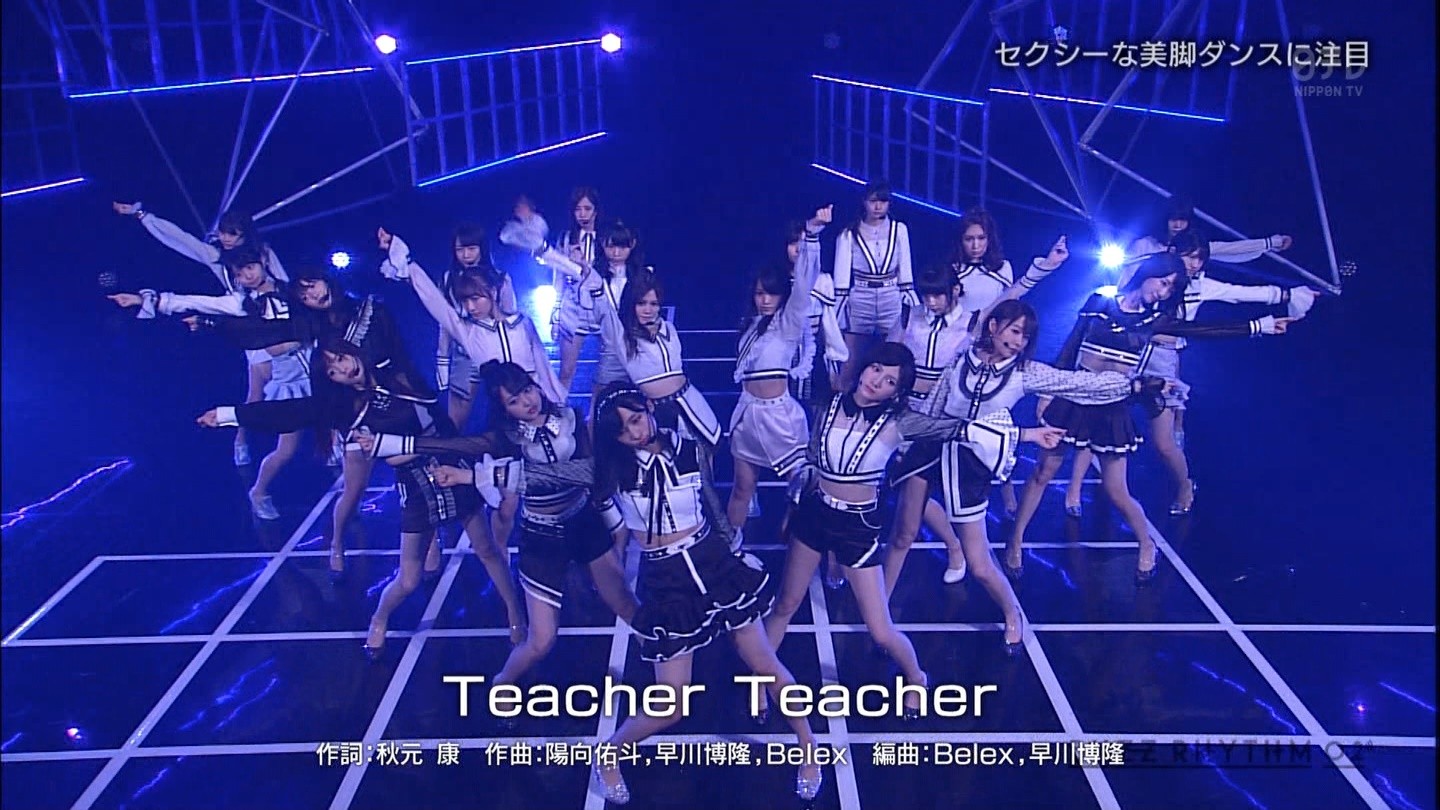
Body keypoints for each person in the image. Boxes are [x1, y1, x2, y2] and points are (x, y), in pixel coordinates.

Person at [503, 384, 827, 803]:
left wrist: (734, 549)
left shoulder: (688, 448)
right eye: (623, 429)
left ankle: (809, 749)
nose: (635, 432)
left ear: (649, 408)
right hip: (667, 580)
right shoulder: (611, 469)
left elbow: (711, 494)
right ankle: (609, 754)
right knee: (671, 702)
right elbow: (544, 476)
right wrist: (471, 476)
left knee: (765, 663)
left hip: (714, 564)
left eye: (637, 418)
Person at [763, 342, 1063, 717]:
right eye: (876, 369)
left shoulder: (901, 422)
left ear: (897, 392)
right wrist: (791, 510)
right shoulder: (829, 403)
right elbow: (810, 460)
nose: (877, 381)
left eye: (890, 380)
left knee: (880, 630)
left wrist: (1028, 435)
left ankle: (916, 677)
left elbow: (961, 430)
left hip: (856, 527)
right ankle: (762, 680)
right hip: (813, 515)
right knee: (784, 605)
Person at [194, 338, 528, 656]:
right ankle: (379, 618)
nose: (343, 368)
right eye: (332, 370)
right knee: (408, 579)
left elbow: (438, 419)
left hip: (453, 466)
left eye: (341, 358)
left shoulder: (396, 374)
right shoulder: (346, 408)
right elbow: (291, 412)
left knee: (486, 549)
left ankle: (514, 613)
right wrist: (228, 415)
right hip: (416, 484)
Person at [357, 362, 639, 714]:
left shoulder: (571, 418)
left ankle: (669, 670)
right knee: (541, 640)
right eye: (514, 402)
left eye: (527, 391)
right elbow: (453, 444)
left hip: (584, 524)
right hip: (542, 538)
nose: (527, 403)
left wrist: (615, 524)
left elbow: (585, 474)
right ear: (504, 410)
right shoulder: (506, 438)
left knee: (627, 605)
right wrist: (385, 443)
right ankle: (504, 681)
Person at [1007, 253, 1295, 582]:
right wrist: (1047, 393)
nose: (1163, 291)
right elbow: (1070, 347)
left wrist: (1259, 326)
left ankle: (1147, 543)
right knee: (1042, 472)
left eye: (1171, 288)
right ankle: (1015, 542)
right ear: (1148, 274)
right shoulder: (1100, 301)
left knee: (1116, 489)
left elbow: (1204, 329)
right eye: (1163, 282)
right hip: (1074, 395)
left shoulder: (1156, 320)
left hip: (1111, 405)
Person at [927, 299, 1165, 650]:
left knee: (980, 565)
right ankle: (884, 610)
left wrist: (1132, 388)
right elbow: (935, 404)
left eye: (1025, 336)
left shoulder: (1025, 373)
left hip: (970, 470)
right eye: (1014, 331)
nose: (1018, 341)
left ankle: (1012, 611)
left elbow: (1078, 383)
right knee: (903, 531)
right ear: (993, 327)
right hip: (933, 453)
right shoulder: (963, 360)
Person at [1062, 227, 1317, 516]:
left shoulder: (1199, 286)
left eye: (1200, 258)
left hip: (1161, 362)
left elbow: (1236, 297)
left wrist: (1283, 298)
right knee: (1094, 420)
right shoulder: (1149, 273)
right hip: (1124, 358)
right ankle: (1074, 491)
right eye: (1190, 256)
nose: (1195, 264)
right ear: (1172, 253)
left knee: (1164, 443)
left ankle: (1184, 485)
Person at [107, 243, 309, 520]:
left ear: (262, 263)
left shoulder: (289, 289)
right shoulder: (241, 304)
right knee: (287, 449)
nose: (247, 276)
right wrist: (143, 300)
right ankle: (259, 491)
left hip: (323, 369)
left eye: (250, 268)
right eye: (240, 273)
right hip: (291, 379)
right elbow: (195, 301)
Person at [113, 201, 287, 466]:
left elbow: (284, 281)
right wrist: (142, 215)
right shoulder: (220, 263)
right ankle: (242, 441)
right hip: (248, 322)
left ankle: (326, 440)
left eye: (232, 234)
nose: (226, 238)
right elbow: (181, 241)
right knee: (259, 391)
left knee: (305, 380)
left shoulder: (264, 254)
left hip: (278, 317)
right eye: (223, 232)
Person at [727, 205, 831, 546]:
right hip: (747, 415)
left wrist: (812, 234)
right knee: (742, 488)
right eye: (759, 293)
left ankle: (816, 548)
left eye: (771, 293)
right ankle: (730, 548)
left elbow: (804, 283)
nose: (765, 300)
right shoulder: (752, 325)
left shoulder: (789, 322)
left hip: (779, 418)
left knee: (804, 487)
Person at [882, 264, 975, 588]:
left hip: (938, 425)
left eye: (937, 296)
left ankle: (880, 604)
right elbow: (889, 358)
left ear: (955, 291)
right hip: (902, 417)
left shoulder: (972, 323)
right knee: (909, 493)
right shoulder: (910, 317)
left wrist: (1042, 269)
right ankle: (954, 546)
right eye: (926, 296)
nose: (930, 302)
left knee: (907, 520)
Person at [833, 180, 913, 388]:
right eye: (873, 201)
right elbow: (841, 278)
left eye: (883, 201)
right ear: (864, 202)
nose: (878, 206)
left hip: (890, 295)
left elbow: (905, 269)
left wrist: (910, 300)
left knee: (893, 357)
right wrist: (838, 309)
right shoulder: (849, 233)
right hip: (861, 296)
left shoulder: (899, 230)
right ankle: (841, 399)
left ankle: (889, 398)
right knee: (850, 359)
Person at [551, 187, 603, 394]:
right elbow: (558, 276)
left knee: (606, 372)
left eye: (587, 209)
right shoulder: (566, 239)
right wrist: (556, 312)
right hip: (573, 307)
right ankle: (559, 409)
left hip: (601, 307)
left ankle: (598, 411)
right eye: (578, 209)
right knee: (566, 370)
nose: (582, 214)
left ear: (596, 211)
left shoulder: (606, 238)